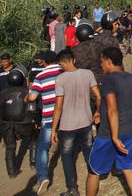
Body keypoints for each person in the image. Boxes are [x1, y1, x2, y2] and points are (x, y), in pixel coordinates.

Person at [87, 47, 132, 196]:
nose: (101, 65)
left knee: (94, 171)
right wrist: (126, 110)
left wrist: (114, 137)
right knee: (128, 168)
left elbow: (112, 110)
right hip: (128, 132)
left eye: (102, 62)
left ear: (108, 62)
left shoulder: (109, 79)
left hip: (108, 134)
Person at [51, 50, 100, 196]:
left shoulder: (60, 79)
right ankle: (95, 175)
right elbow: (98, 95)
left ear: (63, 62)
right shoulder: (88, 74)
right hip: (85, 122)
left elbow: (58, 107)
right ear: (73, 59)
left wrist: (54, 129)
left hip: (67, 125)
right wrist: (97, 111)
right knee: (88, 151)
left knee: (66, 156)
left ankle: (72, 189)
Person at [26, 50, 63, 195]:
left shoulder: (40, 76)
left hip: (49, 116)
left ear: (45, 62)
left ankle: (43, 177)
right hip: (66, 116)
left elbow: (33, 97)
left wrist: (27, 97)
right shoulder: (63, 71)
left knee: (42, 148)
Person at [0, 68, 37, 178]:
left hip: (7, 123)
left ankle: (12, 172)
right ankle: (33, 163)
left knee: (10, 146)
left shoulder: (3, 93)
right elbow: (32, 108)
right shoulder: (27, 92)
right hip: (24, 122)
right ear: (22, 80)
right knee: (33, 140)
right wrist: (36, 121)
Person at [93, 11, 120, 84]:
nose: (117, 26)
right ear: (109, 25)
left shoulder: (95, 38)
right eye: (115, 24)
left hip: (95, 78)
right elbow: (116, 62)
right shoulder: (113, 40)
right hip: (108, 77)